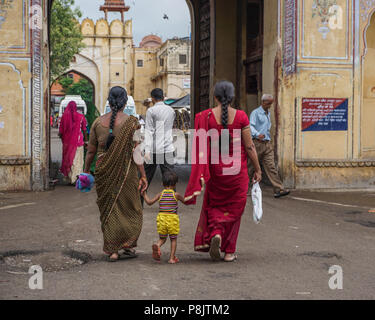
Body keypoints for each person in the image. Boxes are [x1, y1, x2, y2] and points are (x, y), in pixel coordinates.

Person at [184, 80, 262, 262]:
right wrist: (257, 169)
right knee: (235, 207)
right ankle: (229, 251)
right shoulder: (242, 116)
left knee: (214, 205)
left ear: (215, 97)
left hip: (215, 172)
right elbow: (249, 146)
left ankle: (216, 233)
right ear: (233, 97)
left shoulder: (207, 117)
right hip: (237, 173)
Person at [84, 86, 148, 262]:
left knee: (109, 210)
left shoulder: (97, 123)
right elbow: (137, 152)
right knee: (132, 209)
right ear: (125, 102)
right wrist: (143, 175)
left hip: (103, 172)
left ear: (109, 101)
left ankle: (113, 250)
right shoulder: (132, 122)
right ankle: (127, 244)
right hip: (128, 173)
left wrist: (85, 171)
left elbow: (91, 152)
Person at [249, 94, 290, 198]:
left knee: (271, 167)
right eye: (268, 103)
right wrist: (257, 134)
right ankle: (244, 189)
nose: (270, 106)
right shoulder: (256, 113)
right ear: (263, 102)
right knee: (250, 167)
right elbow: (250, 126)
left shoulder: (268, 113)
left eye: (271, 103)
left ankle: (279, 189)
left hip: (267, 144)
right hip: (257, 143)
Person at [142, 171, 186, 264]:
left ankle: (157, 245)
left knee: (163, 238)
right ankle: (171, 258)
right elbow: (186, 201)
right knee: (173, 239)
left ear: (162, 183)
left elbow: (149, 202)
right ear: (175, 184)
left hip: (161, 219)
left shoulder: (160, 194)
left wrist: (144, 194)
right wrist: (193, 195)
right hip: (172, 220)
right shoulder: (176, 195)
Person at [142, 88, 176, 205]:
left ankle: (138, 203)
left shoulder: (151, 111)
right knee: (169, 177)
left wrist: (147, 150)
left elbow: (149, 131)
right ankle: (171, 204)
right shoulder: (171, 111)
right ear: (163, 97)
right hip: (167, 149)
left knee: (145, 176)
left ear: (152, 98)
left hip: (154, 150)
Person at [59, 101, 88, 185]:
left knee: (69, 160)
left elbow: (61, 132)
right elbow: (84, 130)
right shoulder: (81, 117)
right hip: (78, 142)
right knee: (78, 161)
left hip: (68, 143)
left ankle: (69, 179)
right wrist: (86, 141)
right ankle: (76, 179)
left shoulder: (64, 118)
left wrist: (63, 140)